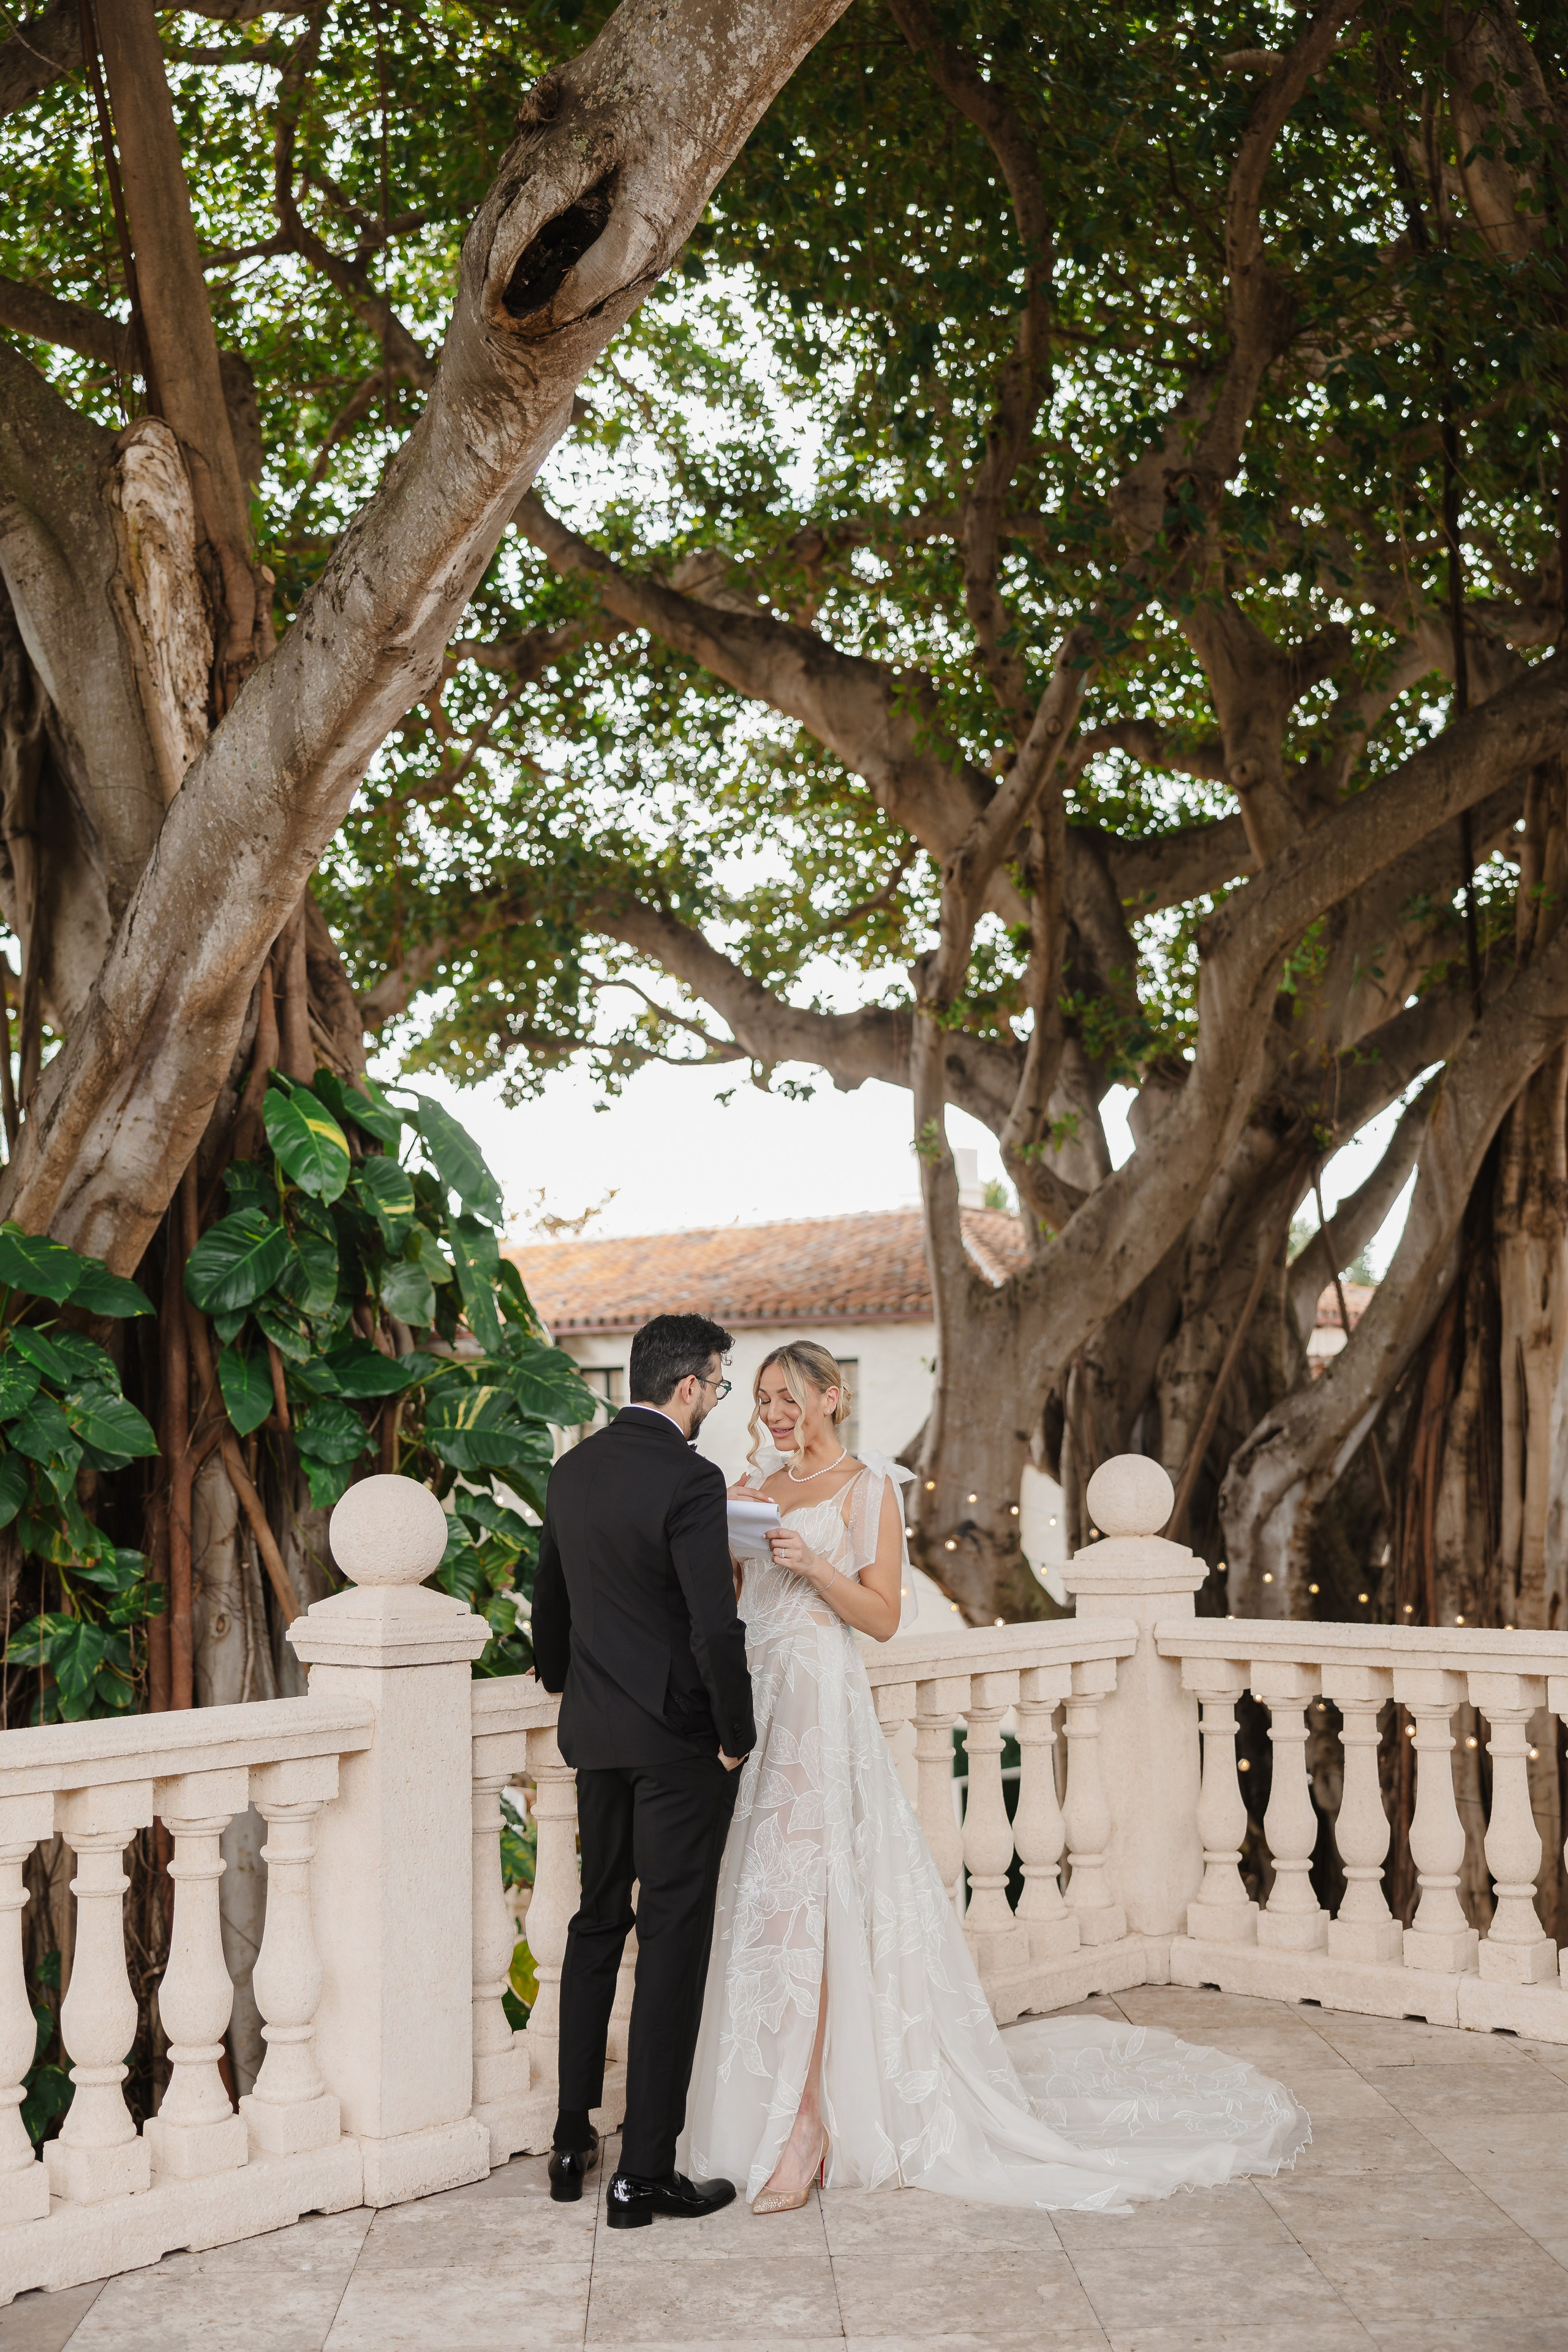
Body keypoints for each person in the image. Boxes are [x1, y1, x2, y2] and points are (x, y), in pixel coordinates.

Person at [679, 1340, 1311, 2215]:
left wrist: (812, 1565)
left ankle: (810, 2125)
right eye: (763, 1398)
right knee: (767, 1901)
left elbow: (885, 1618)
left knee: (816, 1901)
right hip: (760, 1704)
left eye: (790, 1396)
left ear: (832, 1397)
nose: (775, 1412)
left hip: (823, 1708)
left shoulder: (869, 1491)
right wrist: (735, 1542)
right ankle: (763, 2106)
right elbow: (729, 1601)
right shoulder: (755, 1490)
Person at [532, 1311, 756, 2229]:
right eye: (719, 1385)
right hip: (676, 1745)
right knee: (670, 1942)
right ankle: (644, 2173)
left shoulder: (572, 1470)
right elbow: (714, 1626)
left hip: (597, 1735)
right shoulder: (691, 1479)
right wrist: (736, 1731)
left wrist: (568, 1684)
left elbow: (551, 1610)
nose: (716, 1400)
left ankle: (570, 2137)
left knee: (595, 1923)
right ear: (691, 1386)